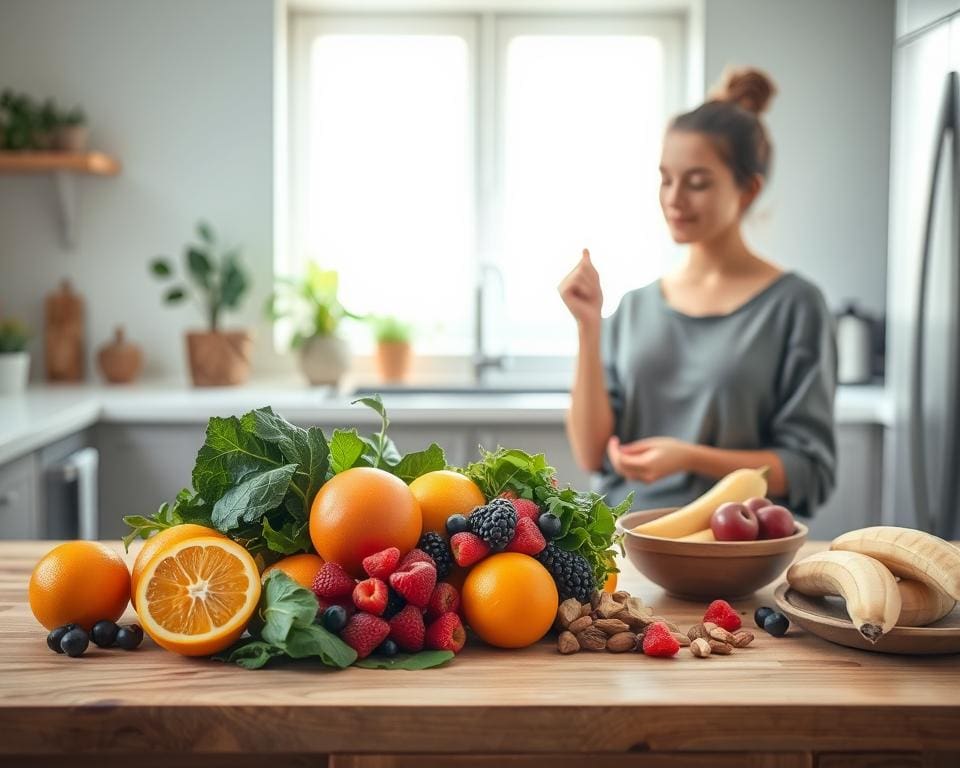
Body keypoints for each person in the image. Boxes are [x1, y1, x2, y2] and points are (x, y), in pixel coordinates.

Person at [558, 68, 836, 517]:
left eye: (698, 182)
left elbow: (810, 469)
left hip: (744, 553)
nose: (674, 198)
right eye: (666, 178)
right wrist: (588, 327)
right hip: (630, 549)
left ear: (748, 190)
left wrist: (689, 458)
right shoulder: (634, 308)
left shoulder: (795, 306)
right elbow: (592, 456)